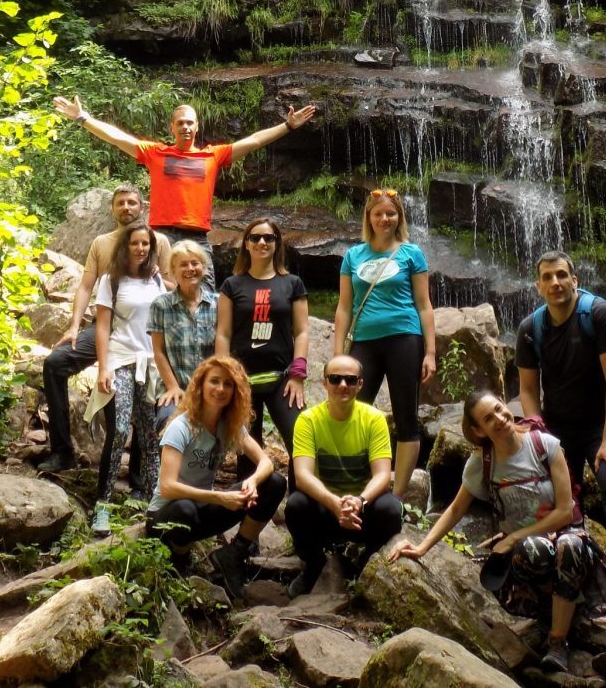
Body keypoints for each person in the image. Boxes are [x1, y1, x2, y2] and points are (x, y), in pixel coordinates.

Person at [388, 390, 606, 673]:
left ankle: (557, 642)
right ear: (478, 430)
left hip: (566, 540)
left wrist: (513, 537)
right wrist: (422, 547)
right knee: (535, 549)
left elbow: (565, 511)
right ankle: (551, 612)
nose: (499, 418)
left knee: (566, 544)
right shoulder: (482, 463)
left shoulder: (545, 446)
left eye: (499, 409)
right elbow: (456, 510)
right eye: (488, 418)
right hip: (529, 554)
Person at [516, 250, 606, 624]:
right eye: (547, 277)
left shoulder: (599, 315)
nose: (556, 283)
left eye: (562, 275)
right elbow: (528, 389)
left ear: (575, 280)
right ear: (538, 285)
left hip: (600, 425)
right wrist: (539, 434)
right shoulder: (531, 328)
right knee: (555, 499)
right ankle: (561, 590)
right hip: (556, 427)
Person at [51, 96, 317, 249]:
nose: (185, 127)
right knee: (158, 293)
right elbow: (117, 138)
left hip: (197, 236)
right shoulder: (155, 153)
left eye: (190, 123)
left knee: (205, 294)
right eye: (180, 123)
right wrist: (82, 118)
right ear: (172, 128)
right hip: (161, 234)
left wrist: (288, 126)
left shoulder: (213, 155)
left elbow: (254, 141)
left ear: (197, 127)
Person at [38, 185, 170, 473]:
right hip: (105, 326)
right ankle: (62, 452)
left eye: (132, 203)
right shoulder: (101, 242)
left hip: (143, 333)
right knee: (55, 363)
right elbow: (86, 285)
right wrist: (74, 326)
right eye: (120, 203)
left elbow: (174, 288)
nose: (126, 208)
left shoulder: (158, 242)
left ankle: (138, 474)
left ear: (142, 207)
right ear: (112, 209)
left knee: (146, 390)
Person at [146, 356, 285, 598]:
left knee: (273, 483)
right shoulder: (182, 426)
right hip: (166, 518)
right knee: (186, 509)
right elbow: (167, 487)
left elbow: (265, 462)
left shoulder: (228, 425)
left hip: (204, 509)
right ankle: (180, 559)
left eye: (228, 384)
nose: (220, 389)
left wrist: (252, 481)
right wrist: (220, 498)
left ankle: (234, 554)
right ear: (200, 385)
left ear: (235, 392)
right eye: (214, 382)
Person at [332, 187, 436, 498]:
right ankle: (355, 484)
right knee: (351, 409)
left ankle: (398, 496)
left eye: (391, 213)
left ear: (399, 217)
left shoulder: (411, 253)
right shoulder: (353, 255)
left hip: (405, 337)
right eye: (378, 213)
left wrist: (430, 351)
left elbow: (424, 304)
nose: (385, 218)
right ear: (369, 217)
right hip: (365, 340)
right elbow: (344, 306)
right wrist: (338, 353)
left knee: (406, 417)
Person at [285, 355, 404, 598]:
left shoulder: (374, 419)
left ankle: (365, 560)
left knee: (392, 508)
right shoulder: (308, 421)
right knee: (296, 505)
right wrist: (334, 504)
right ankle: (314, 563)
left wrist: (359, 501)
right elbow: (302, 476)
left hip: (361, 512)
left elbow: (382, 476)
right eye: (335, 379)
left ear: (360, 384)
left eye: (350, 380)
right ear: (324, 383)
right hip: (327, 511)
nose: (342, 385)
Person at [85, 222, 163, 533]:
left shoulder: (156, 279)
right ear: (125, 247)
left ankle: (157, 503)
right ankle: (101, 506)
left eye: (146, 244)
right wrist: (103, 367)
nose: (141, 249)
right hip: (120, 359)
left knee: (150, 435)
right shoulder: (111, 280)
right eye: (135, 244)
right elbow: (102, 327)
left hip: (150, 363)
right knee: (118, 430)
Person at [214, 218, 309, 474]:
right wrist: (224, 376)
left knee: (301, 441)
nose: (262, 242)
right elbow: (223, 333)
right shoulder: (231, 286)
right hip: (243, 381)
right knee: (248, 452)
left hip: (283, 380)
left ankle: (298, 506)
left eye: (269, 238)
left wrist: (298, 374)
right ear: (246, 244)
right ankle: (252, 511)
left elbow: (301, 332)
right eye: (255, 237)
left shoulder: (292, 283)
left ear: (277, 244)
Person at [149, 241, 219, 434]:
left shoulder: (218, 304)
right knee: (168, 425)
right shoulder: (161, 305)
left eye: (195, 263)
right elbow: (159, 351)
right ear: (173, 270)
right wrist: (172, 387)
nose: (190, 269)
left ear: (203, 268)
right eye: (183, 264)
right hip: (175, 387)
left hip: (211, 390)